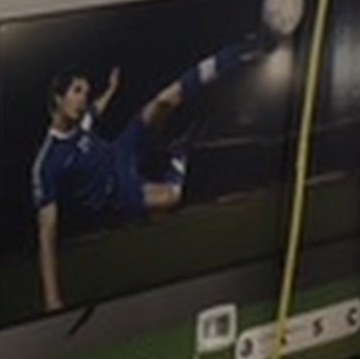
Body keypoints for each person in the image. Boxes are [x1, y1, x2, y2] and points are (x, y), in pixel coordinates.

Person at [31, 41, 256, 314]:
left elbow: (97, 108)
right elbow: (47, 233)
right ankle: (179, 152)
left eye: (85, 93)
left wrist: (112, 89)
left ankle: (241, 51)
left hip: (121, 152)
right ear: (58, 97)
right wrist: (52, 298)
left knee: (164, 100)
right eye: (77, 91)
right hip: (118, 193)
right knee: (172, 197)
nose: (83, 99)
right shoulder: (48, 162)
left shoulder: (82, 121)